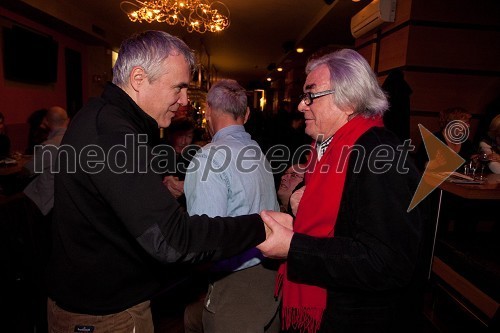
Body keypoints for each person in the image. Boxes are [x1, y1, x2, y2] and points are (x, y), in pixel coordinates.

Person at [45, 30, 267, 333]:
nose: (185, 100)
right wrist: (262, 226)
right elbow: (173, 241)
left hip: (101, 304)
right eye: (179, 87)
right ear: (139, 78)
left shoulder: (104, 118)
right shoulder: (112, 133)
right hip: (106, 315)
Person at [257, 48, 425, 333]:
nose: (300, 105)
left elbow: (387, 262)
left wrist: (294, 247)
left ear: (348, 99)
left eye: (311, 95)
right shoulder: (328, 149)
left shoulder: (378, 154)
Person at [183, 79, 281, 332]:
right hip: (270, 276)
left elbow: (205, 242)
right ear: (246, 114)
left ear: (207, 112)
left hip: (234, 285)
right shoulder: (257, 151)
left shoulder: (208, 157)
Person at [23, 106, 69, 216]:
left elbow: (28, 170)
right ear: (68, 120)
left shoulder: (49, 146)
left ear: (47, 122)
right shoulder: (77, 140)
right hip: (69, 197)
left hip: (49, 201)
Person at [415, 107, 475, 172]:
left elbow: (471, 168)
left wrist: (475, 161)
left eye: (468, 123)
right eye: (465, 122)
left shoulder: (467, 143)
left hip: (460, 181)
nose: (468, 126)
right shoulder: (432, 140)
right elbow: (419, 166)